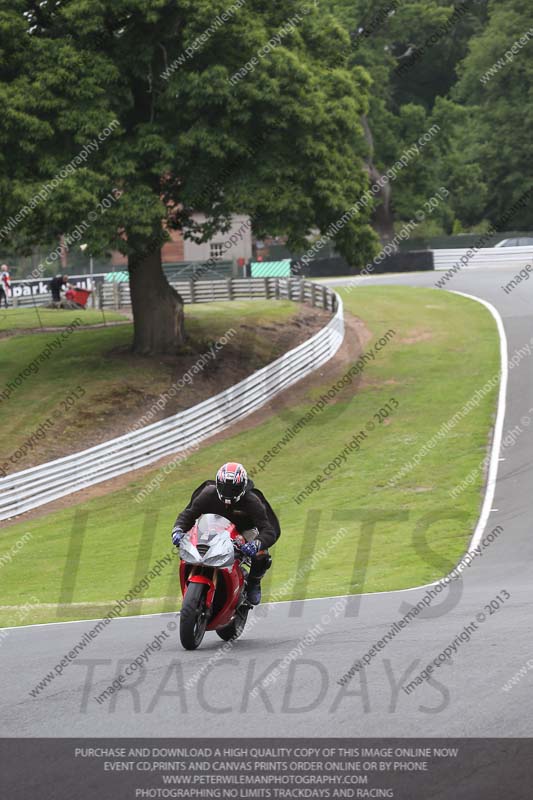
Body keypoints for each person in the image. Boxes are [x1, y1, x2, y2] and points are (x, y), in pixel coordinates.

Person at [171, 462, 280, 605]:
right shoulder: (208, 494)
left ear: (242, 486)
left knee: (261, 555)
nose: (228, 491)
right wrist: (178, 530)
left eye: (233, 488)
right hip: (212, 527)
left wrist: (256, 544)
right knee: (188, 543)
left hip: (243, 530)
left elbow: (268, 529)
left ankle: (254, 583)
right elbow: (188, 515)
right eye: (224, 487)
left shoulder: (252, 501)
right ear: (217, 484)